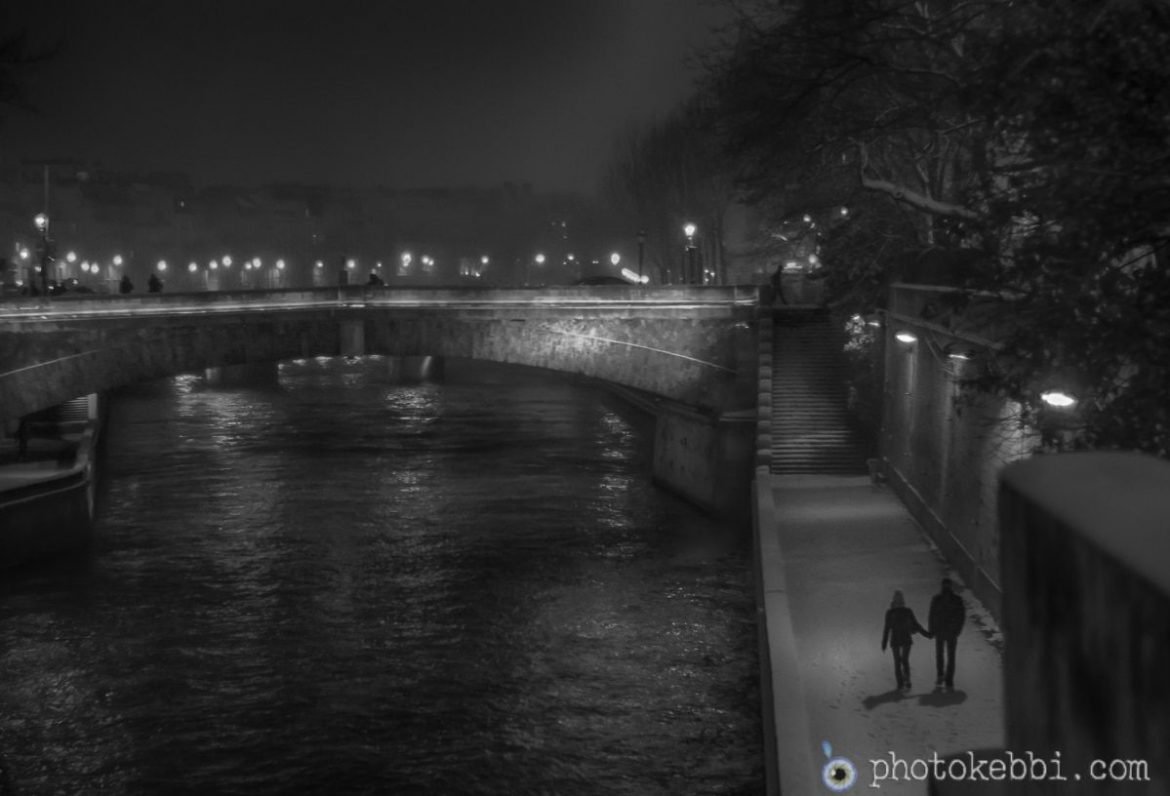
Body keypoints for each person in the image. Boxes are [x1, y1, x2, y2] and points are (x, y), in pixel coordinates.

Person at [881, 590, 930, 690]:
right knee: (905, 660)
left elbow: (887, 628)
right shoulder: (907, 611)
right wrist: (927, 634)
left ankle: (900, 683)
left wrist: (884, 642)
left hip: (895, 639)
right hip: (906, 638)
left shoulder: (890, 612)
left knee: (897, 661)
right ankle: (907, 679)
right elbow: (916, 624)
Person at [929, 578, 966, 690]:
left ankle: (940, 675)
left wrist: (932, 630)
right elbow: (961, 616)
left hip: (940, 631)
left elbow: (931, 615)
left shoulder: (936, 599)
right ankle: (949, 680)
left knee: (940, 654)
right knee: (951, 656)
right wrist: (958, 630)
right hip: (952, 632)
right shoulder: (957, 599)